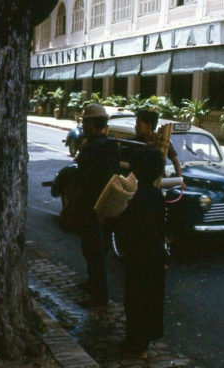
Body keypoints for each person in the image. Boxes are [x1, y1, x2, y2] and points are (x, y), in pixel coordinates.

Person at [118, 146, 167, 358]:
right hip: (155, 255)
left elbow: (127, 226)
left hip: (139, 255)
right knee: (150, 299)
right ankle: (144, 342)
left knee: (136, 299)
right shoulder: (157, 195)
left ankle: (136, 344)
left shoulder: (136, 198)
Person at [75, 104, 120, 308]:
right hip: (105, 204)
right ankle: (93, 284)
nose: (83, 125)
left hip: (92, 205)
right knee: (96, 250)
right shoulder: (111, 146)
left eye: (85, 121)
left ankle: (98, 296)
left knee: (93, 251)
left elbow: (83, 177)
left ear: (92, 124)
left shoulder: (91, 148)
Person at [134, 109, 185, 187]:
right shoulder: (134, 142)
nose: (135, 127)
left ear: (149, 126)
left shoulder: (162, 142)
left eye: (138, 124)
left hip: (158, 184)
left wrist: (180, 180)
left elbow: (175, 161)